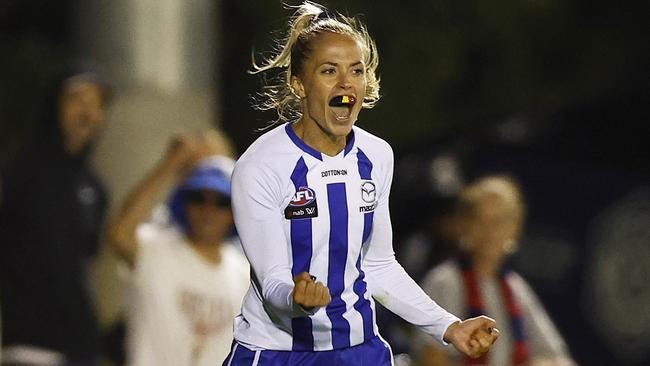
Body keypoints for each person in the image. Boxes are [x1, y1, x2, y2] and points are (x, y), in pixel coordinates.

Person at [222, 2, 499, 365]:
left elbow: (379, 267)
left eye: (355, 70)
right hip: (278, 353)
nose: (345, 83)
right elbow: (271, 281)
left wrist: (448, 327)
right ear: (299, 84)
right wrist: (297, 297)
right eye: (328, 71)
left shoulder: (376, 155)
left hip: (358, 351)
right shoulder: (261, 166)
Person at [107, 132, 250, 366]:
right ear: (184, 202)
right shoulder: (155, 249)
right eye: (198, 198)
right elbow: (118, 233)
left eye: (221, 202)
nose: (208, 210)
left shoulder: (244, 274)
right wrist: (170, 163)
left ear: (235, 212)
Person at [0, 70, 111, 366]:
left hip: (80, 349)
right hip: (30, 347)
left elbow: (84, 266)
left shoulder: (95, 188)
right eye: (76, 99)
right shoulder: (21, 170)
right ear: (54, 105)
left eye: (96, 103)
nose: (87, 112)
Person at [414, 175, 576, 366]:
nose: (490, 232)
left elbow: (557, 357)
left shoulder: (515, 287)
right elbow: (433, 357)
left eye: (499, 221)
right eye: (481, 220)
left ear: (515, 228)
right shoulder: (445, 282)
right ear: (465, 226)